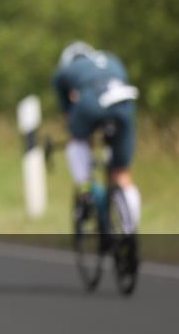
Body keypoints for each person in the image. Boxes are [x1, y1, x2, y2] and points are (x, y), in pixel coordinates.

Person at [52, 41, 141, 234]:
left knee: (77, 142)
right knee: (122, 174)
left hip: (93, 102)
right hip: (125, 104)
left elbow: (68, 111)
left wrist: (76, 127)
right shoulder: (111, 58)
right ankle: (130, 232)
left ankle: (85, 189)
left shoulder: (66, 71)